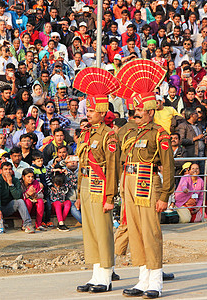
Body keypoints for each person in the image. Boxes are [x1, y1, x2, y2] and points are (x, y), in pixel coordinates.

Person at [117, 60, 174, 299]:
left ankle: (156, 281)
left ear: (150, 112)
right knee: (136, 232)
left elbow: (168, 166)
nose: (135, 113)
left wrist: (165, 195)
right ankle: (142, 279)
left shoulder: (159, 133)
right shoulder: (130, 131)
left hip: (149, 182)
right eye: (133, 109)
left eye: (139, 110)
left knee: (151, 232)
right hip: (130, 181)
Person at [74, 68, 120, 294]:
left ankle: (106, 275)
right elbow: (82, 166)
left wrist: (110, 196)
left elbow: (112, 168)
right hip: (85, 186)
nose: (89, 113)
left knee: (103, 231)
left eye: (92, 110)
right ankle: (95, 274)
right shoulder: (86, 134)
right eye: (88, 109)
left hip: (101, 187)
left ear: (102, 113)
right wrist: (77, 194)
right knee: (90, 232)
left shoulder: (109, 136)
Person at [0, 161, 35, 233]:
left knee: (20, 201)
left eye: (9, 169)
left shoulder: (15, 180)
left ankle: (27, 225)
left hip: (8, 207)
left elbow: (18, 196)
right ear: (1, 171)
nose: (8, 171)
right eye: (5, 169)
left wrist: (10, 184)